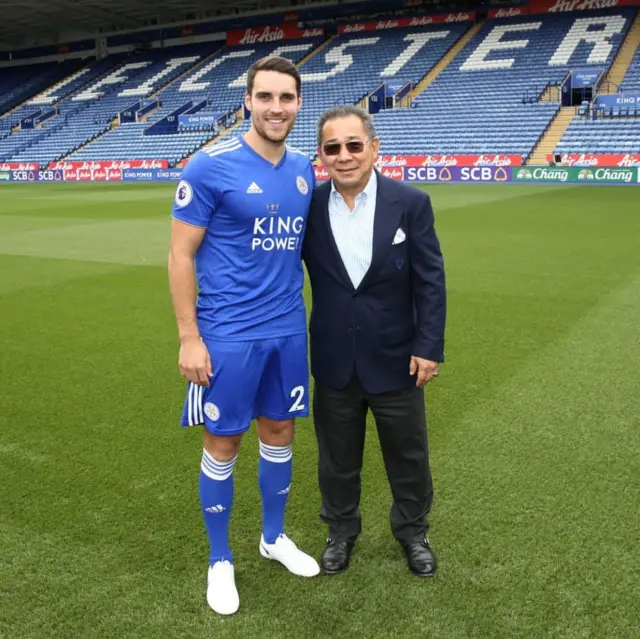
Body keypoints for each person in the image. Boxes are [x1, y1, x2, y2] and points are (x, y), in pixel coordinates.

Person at [168, 55, 319, 617]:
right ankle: (219, 558)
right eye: (266, 97)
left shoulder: (304, 168)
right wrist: (189, 337)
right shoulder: (210, 166)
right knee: (224, 440)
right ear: (247, 102)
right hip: (228, 334)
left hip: (286, 329)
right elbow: (180, 254)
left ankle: (273, 537)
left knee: (280, 429)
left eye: (287, 98)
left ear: (298, 103)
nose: (276, 108)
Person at [302, 105, 446, 578]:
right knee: (337, 459)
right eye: (332, 148)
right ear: (322, 155)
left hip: (397, 358)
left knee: (408, 455)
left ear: (374, 148)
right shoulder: (309, 207)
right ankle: (340, 532)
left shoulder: (410, 202)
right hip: (334, 359)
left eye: (353, 145)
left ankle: (413, 532)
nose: (344, 156)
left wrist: (428, 345)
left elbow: (430, 280)